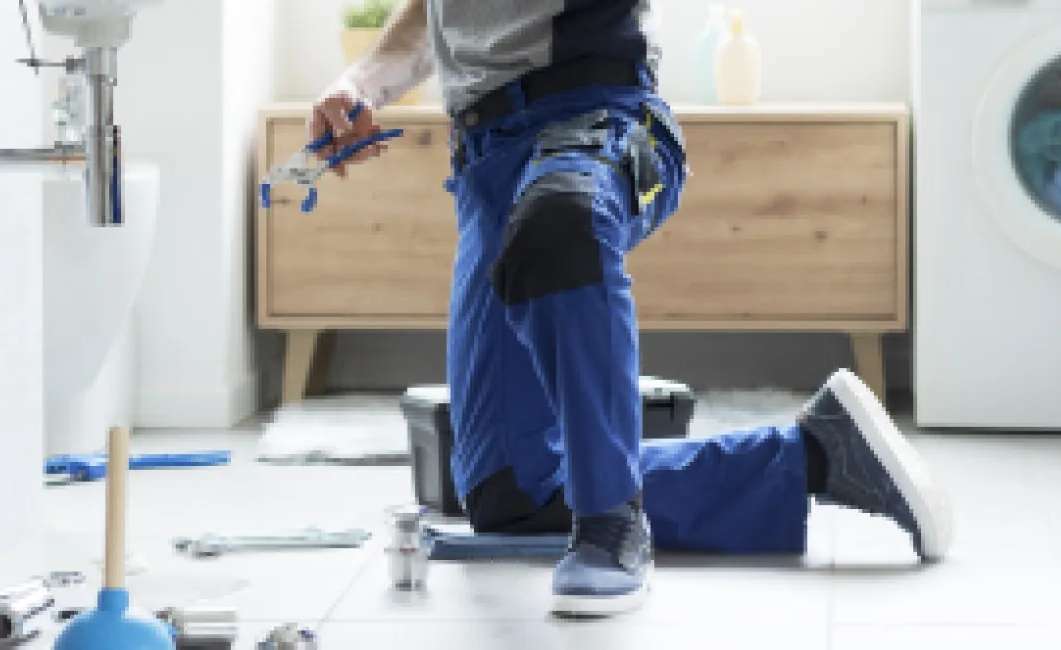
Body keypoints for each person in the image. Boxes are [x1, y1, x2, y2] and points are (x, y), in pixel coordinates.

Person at [309, 0, 954, 617]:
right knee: (511, 490)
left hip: (599, 116)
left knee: (562, 224)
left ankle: (610, 525)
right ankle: (819, 456)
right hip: (485, 161)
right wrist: (359, 85)